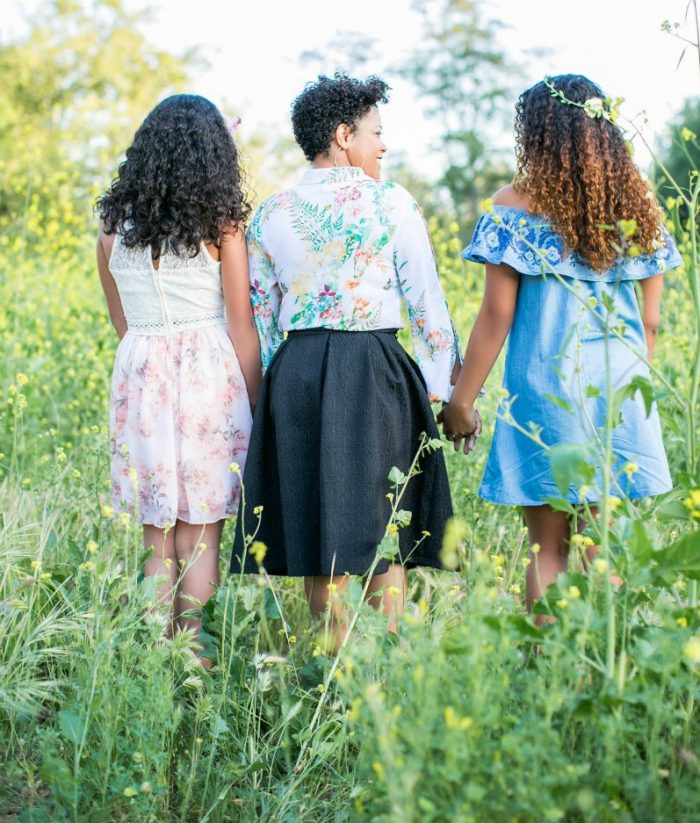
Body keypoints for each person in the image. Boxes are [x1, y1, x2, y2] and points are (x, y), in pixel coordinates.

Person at [230, 73, 464, 644]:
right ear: (342, 135)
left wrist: (266, 401)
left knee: (320, 530)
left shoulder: (270, 214)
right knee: (384, 525)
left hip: (298, 375)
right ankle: (384, 671)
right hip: (375, 368)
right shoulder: (392, 202)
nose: (383, 145)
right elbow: (426, 303)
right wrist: (441, 387)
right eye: (375, 132)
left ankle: (328, 672)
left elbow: (262, 320)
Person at [439, 74, 682, 618]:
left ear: (538, 135)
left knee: (547, 549)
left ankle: (548, 668)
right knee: (603, 545)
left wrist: (461, 399)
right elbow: (651, 323)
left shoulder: (513, 205)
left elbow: (496, 314)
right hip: (619, 390)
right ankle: (602, 670)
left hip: (546, 391)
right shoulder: (638, 208)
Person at [96, 95, 261, 646]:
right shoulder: (224, 224)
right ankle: (192, 658)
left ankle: (152, 658)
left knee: (156, 532)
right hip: (208, 377)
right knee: (200, 533)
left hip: (141, 374)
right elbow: (242, 325)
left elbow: (123, 322)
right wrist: (260, 403)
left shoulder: (112, 227)